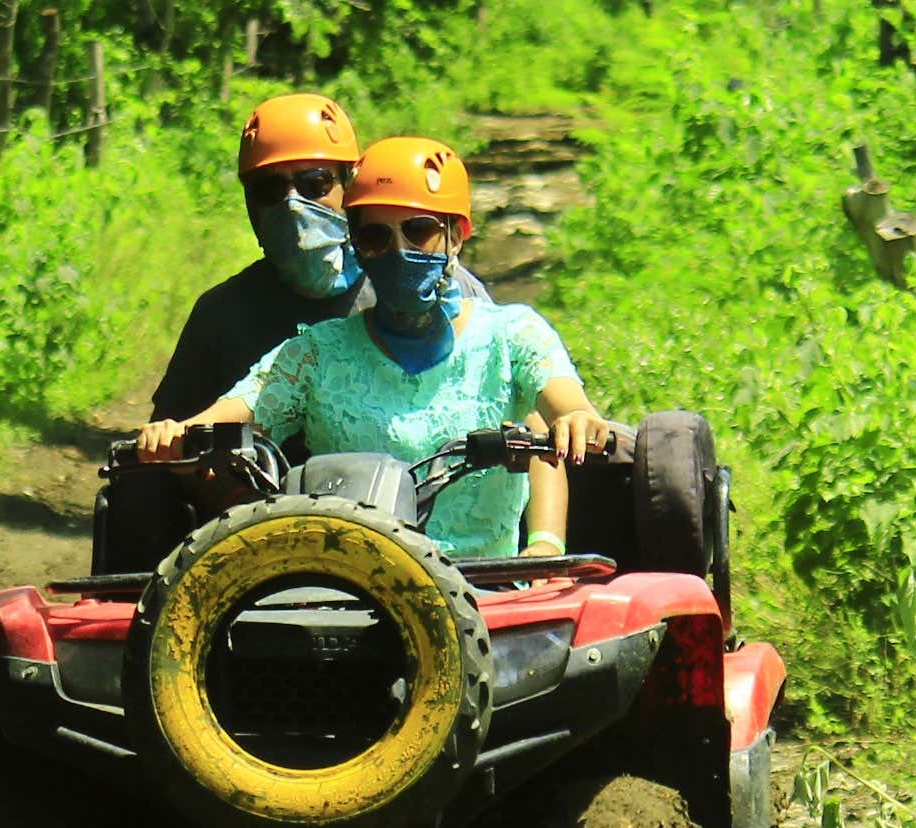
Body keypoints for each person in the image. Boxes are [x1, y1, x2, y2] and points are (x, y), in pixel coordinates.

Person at [137, 137, 608, 559]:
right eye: (376, 236)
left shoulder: (513, 334)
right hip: (342, 596)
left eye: (418, 230)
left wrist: (575, 421)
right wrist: (180, 435)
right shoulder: (316, 353)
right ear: (356, 246)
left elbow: (560, 401)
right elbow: (235, 411)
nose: (399, 250)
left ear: (457, 235)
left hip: (489, 595)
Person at [94, 94, 488, 574]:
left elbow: (511, 395)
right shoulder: (223, 313)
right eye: (269, 189)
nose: (293, 204)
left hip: (426, 520)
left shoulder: (434, 288)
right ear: (249, 203)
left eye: (315, 183)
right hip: (255, 534)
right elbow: (175, 444)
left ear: (350, 187)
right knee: (139, 485)